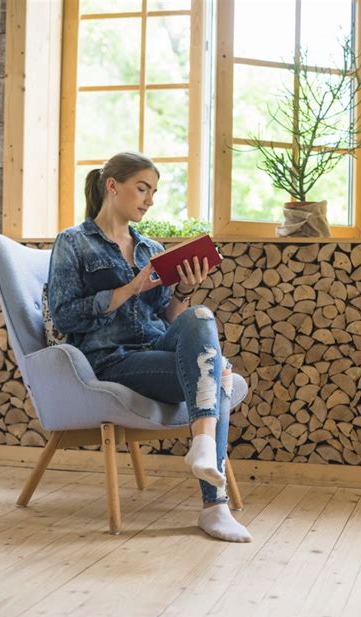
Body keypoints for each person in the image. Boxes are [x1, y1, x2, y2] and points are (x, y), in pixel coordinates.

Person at [48, 151, 252, 543]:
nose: (149, 199)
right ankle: (216, 506)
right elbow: (65, 317)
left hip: (156, 347)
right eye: (142, 188)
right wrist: (129, 289)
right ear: (113, 186)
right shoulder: (73, 243)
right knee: (218, 381)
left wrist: (186, 289)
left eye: (153, 192)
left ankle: (204, 446)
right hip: (112, 360)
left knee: (201, 315)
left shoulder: (149, 249)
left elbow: (170, 316)